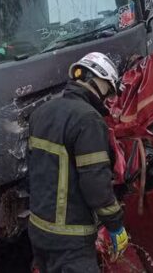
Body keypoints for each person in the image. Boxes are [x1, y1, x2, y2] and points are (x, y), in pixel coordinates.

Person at [27, 52, 128, 273]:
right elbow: (95, 183)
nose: (108, 98)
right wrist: (115, 223)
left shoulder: (40, 113)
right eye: (109, 90)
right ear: (98, 80)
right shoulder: (88, 120)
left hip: (38, 230)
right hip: (70, 239)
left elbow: (35, 171)